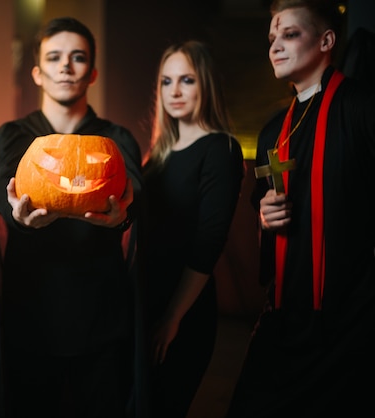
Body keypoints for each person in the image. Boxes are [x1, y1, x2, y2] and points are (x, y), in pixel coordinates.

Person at [0, 16, 143, 418]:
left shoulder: (116, 139)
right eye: (54, 58)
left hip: (100, 316)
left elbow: (134, 193)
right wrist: (18, 216)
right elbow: (4, 187)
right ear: (37, 72)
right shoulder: (13, 136)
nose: (66, 66)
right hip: (30, 315)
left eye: (77, 57)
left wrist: (122, 215)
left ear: (92, 72)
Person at [226, 0, 375, 417]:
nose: (275, 45)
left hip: (351, 318)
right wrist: (263, 216)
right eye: (272, 37)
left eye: (289, 34)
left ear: (327, 41)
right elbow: (264, 210)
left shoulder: (362, 107)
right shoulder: (273, 129)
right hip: (285, 314)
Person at [141, 40, 244, 418]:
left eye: (187, 79)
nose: (175, 91)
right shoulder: (159, 154)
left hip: (184, 310)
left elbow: (208, 242)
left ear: (206, 84)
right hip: (147, 300)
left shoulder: (221, 149)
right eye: (166, 82)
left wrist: (172, 318)